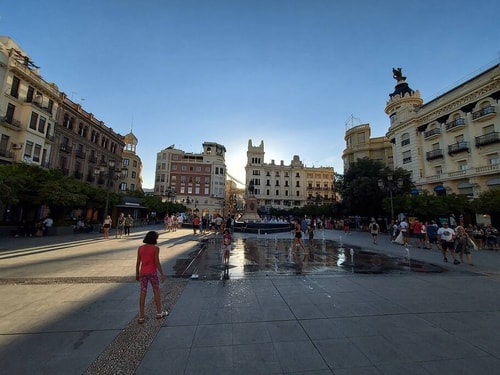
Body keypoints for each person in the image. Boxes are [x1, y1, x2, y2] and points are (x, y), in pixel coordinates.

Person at [135, 231, 167, 324]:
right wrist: (162, 273)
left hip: (143, 273)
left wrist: (137, 274)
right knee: (156, 291)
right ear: (154, 239)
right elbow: (157, 262)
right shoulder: (155, 248)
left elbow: (138, 262)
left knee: (143, 292)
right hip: (152, 272)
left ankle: (141, 316)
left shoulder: (140, 248)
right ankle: (159, 312)